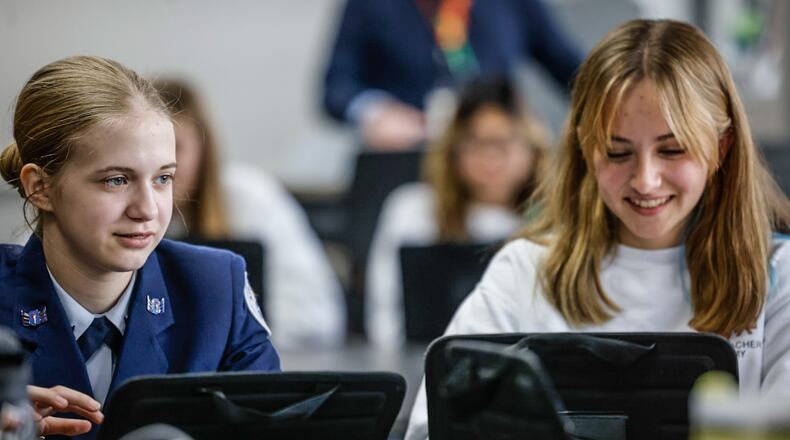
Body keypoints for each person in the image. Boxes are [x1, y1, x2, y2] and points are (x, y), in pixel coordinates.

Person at [404, 19, 790, 439]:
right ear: (587, 151)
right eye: (617, 152)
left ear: (721, 147)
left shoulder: (778, 278)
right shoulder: (525, 273)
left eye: (673, 149)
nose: (646, 180)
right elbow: (431, 429)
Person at [0, 56, 280, 440]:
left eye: (163, 178)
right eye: (116, 180)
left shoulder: (216, 288)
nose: (147, 209)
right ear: (40, 187)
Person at [154, 79, 347, 350]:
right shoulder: (129, 216)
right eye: (150, 150)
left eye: (177, 148)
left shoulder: (253, 199)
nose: (163, 165)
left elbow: (316, 317)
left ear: (204, 149)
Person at [366, 77, 548, 349]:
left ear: (533, 148)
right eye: (476, 142)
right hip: (425, 363)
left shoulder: (552, 221)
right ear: (453, 149)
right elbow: (385, 317)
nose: (491, 159)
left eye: (504, 143)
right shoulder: (413, 211)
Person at [322, 0, 582, 150]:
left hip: (496, 156)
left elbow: (572, 70)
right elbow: (336, 85)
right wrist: (376, 112)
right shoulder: (369, 5)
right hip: (410, 156)